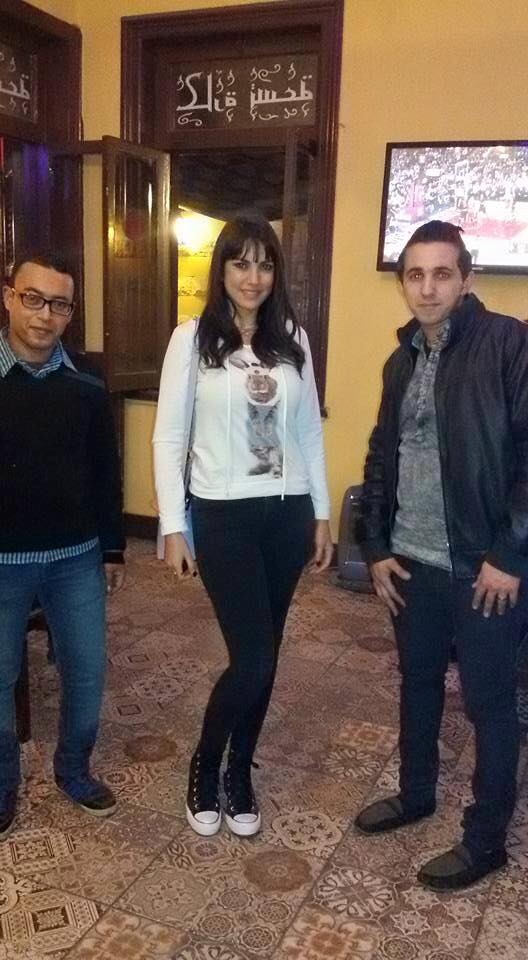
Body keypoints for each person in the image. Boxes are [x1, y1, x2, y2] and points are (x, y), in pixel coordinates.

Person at [355, 220, 528, 890]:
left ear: (466, 278)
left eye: (442, 273)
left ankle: (486, 842)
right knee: (418, 682)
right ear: (404, 283)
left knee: (489, 704)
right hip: (411, 561)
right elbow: (381, 455)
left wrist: (509, 552)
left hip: (485, 569)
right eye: (415, 275)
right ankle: (416, 793)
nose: (427, 288)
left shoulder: (507, 343)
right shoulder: (399, 362)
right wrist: (375, 546)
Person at [153, 212, 332, 837]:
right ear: (221, 269)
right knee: (252, 657)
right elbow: (169, 436)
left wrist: (321, 512)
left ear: (276, 272)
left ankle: (240, 769)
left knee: (268, 650)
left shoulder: (293, 339)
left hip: (286, 513)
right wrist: (172, 525)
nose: (253, 277)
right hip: (222, 515)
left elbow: (308, 431)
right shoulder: (192, 339)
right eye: (240, 263)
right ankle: (207, 762)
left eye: (264, 264)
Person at [0, 251, 125, 839]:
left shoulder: (86, 385)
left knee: (86, 672)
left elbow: (105, 471)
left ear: (70, 313)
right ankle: (3, 783)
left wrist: (114, 549)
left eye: (58, 304)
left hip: (75, 559)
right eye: (32, 298)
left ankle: (73, 769)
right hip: (2, 563)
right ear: (8, 297)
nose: (44, 315)